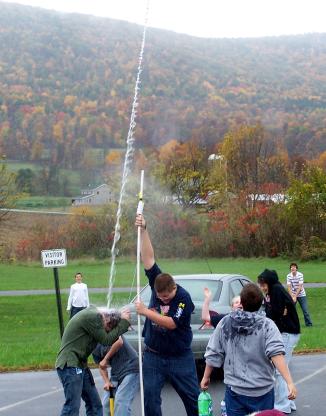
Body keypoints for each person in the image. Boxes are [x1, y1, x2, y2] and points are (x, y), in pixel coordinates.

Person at [134, 214, 200, 416]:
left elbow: (171, 323)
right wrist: (144, 230)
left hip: (179, 356)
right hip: (153, 355)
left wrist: (145, 311)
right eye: (159, 297)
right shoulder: (158, 282)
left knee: (193, 399)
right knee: (151, 399)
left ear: (173, 288)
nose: (162, 299)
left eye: (166, 297)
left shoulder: (183, 298)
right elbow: (148, 259)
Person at [201, 283, 297, 416]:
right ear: (261, 303)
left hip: (235, 391)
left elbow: (213, 353)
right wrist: (289, 382)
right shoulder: (267, 325)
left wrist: (206, 377)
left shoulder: (225, 322)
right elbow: (276, 354)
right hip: (263, 391)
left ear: (242, 301)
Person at [56, 306, 130, 416]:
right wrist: (124, 322)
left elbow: (114, 339)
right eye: (107, 330)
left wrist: (121, 320)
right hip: (70, 365)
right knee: (72, 407)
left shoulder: (97, 317)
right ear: (108, 321)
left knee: (94, 404)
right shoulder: (94, 317)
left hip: (80, 365)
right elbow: (106, 340)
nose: (105, 332)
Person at [258, 269, 300, 414]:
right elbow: (275, 313)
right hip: (286, 332)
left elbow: (275, 313)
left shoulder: (276, 290)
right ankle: (289, 402)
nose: (262, 287)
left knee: (279, 370)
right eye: (261, 285)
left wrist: (276, 314)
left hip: (287, 333)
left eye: (264, 284)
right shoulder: (272, 292)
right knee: (284, 369)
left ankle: (282, 406)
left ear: (269, 282)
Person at [92, 335, 139, 416]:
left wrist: (106, 358)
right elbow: (101, 366)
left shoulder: (109, 329)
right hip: (116, 373)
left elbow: (119, 342)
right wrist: (106, 381)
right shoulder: (92, 347)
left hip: (131, 367)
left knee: (121, 401)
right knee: (106, 404)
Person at [286, 262, 313, 327]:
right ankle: (292, 324)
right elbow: (289, 287)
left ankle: (309, 324)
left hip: (301, 295)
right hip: (292, 295)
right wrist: (292, 296)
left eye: (294, 267)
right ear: (290, 269)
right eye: (291, 267)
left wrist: (295, 296)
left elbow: (300, 286)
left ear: (296, 268)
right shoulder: (288, 276)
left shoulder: (300, 275)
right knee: (291, 310)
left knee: (305, 310)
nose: (293, 268)